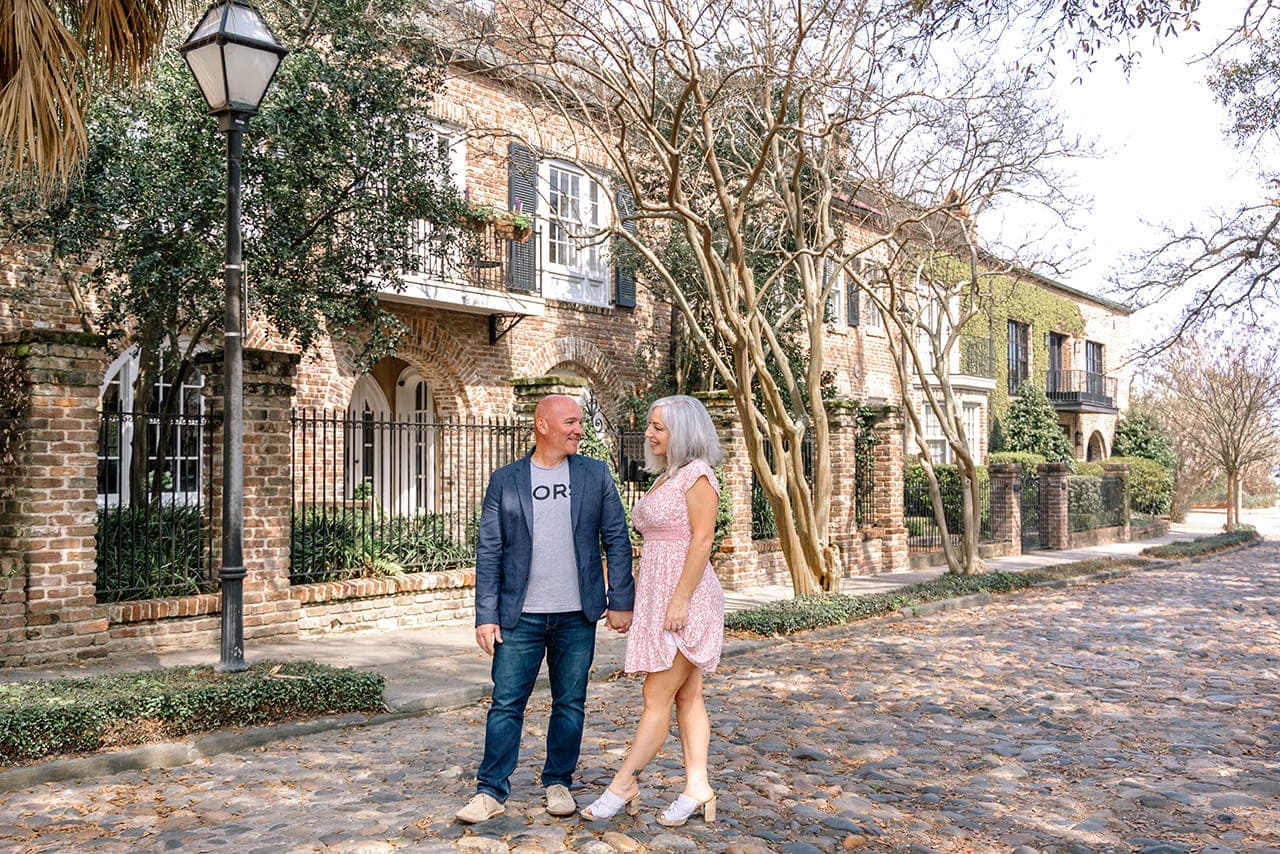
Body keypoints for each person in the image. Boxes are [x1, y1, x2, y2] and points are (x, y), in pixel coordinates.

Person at [454, 394, 635, 824]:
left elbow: (617, 538)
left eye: (579, 423)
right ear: (543, 425)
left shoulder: (595, 474)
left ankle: (559, 782)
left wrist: (620, 601)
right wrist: (486, 613)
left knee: (570, 702)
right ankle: (491, 791)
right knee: (505, 703)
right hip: (520, 616)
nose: (578, 429)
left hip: (577, 613)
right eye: (571, 422)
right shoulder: (506, 480)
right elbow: (490, 549)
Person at [580, 394, 725, 827]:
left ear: (682, 431)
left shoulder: (698, 475)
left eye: (658, 426)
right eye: (650, 425)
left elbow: (702, 540)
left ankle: (624, 782)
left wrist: (678, 601)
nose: (648, 433)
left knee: (655, 696)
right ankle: (698, 787)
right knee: (687, 694)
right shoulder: (667, 477)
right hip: (661, 595)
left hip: (686, 599)